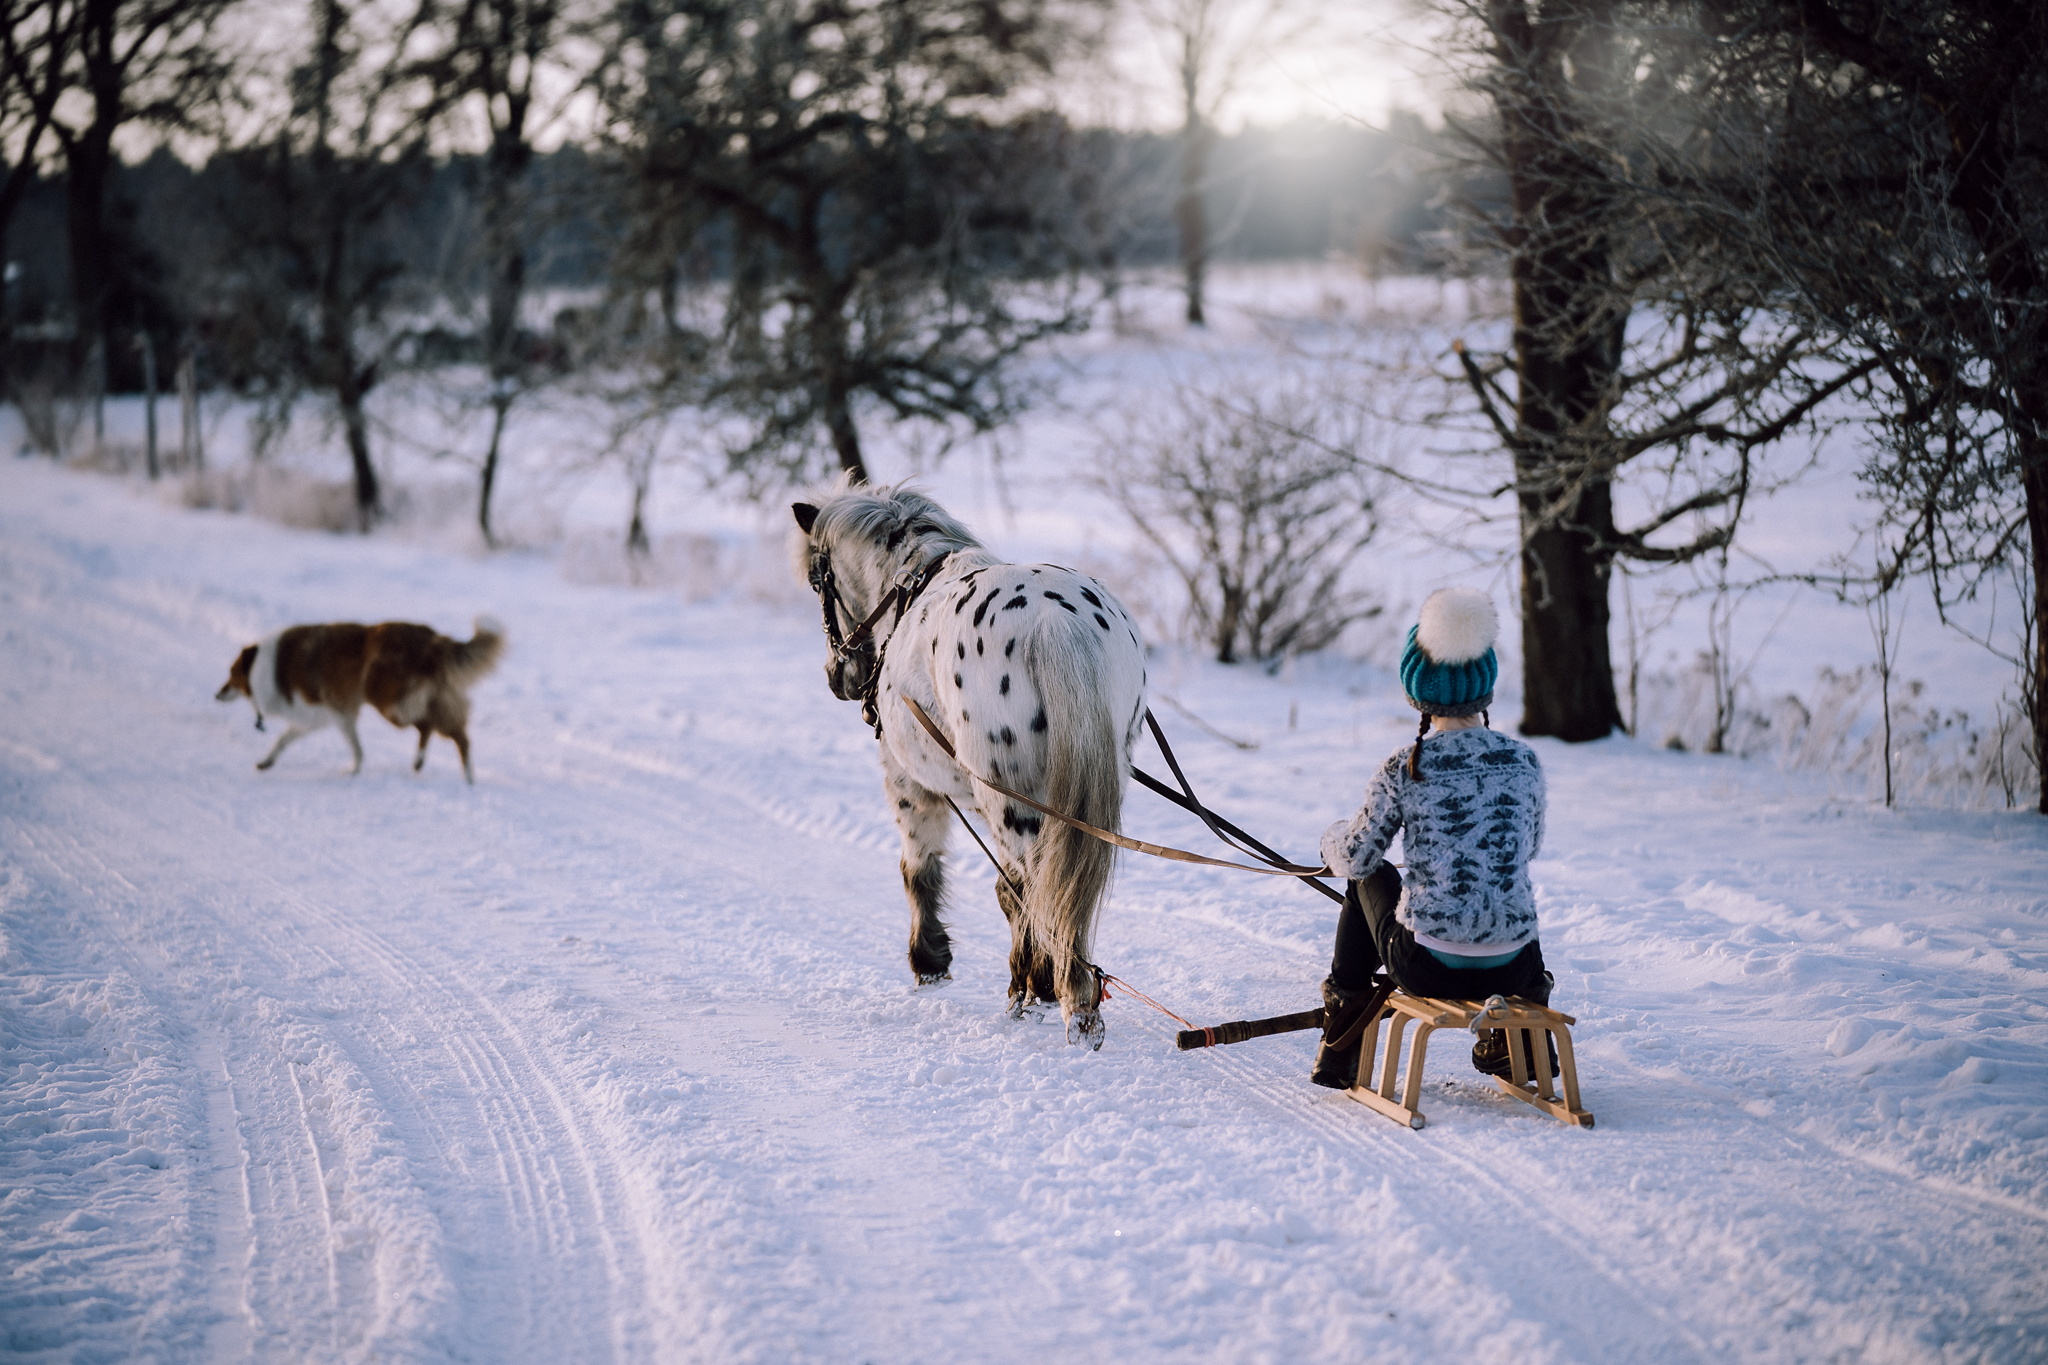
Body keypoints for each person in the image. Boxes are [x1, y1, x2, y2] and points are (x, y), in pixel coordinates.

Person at [1310, 587, 1553, 1090]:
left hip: (1427, 968)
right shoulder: (1524, 761)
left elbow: (1356, 858)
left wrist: (1331, 840)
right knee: (1506, 880)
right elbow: (1527, 848)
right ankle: (1519, 1046)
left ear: (1416, 688)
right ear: (1484, 683)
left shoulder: (1406, 766)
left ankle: (1341, 1044)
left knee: (1368, 877)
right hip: (1515, 969)